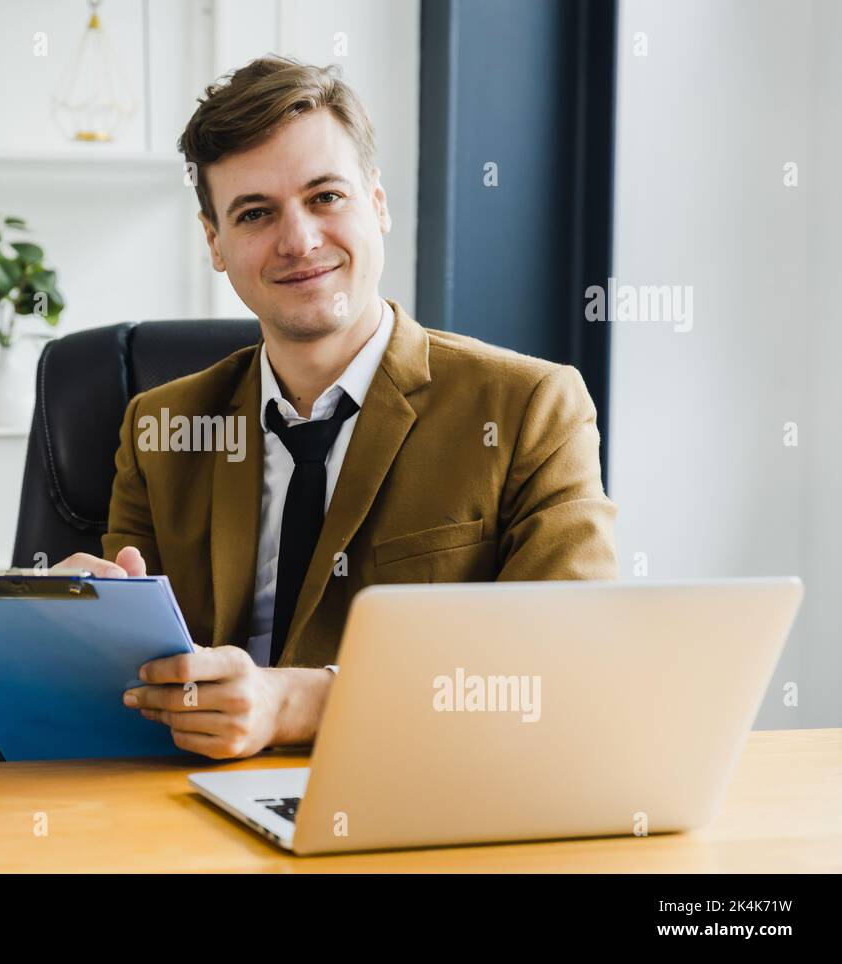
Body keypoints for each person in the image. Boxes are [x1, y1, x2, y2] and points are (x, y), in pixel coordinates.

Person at [54, 55, 617, 759]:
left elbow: (565, 662)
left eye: (326, 197)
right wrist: (74, 633)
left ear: (376, 203)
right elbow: (136, 684)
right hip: (190, 808)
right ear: (215, 243)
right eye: (255, 213)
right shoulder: (161, 428)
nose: (299, 241)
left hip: (424, 800)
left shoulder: (531, 406)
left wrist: (295, 702)